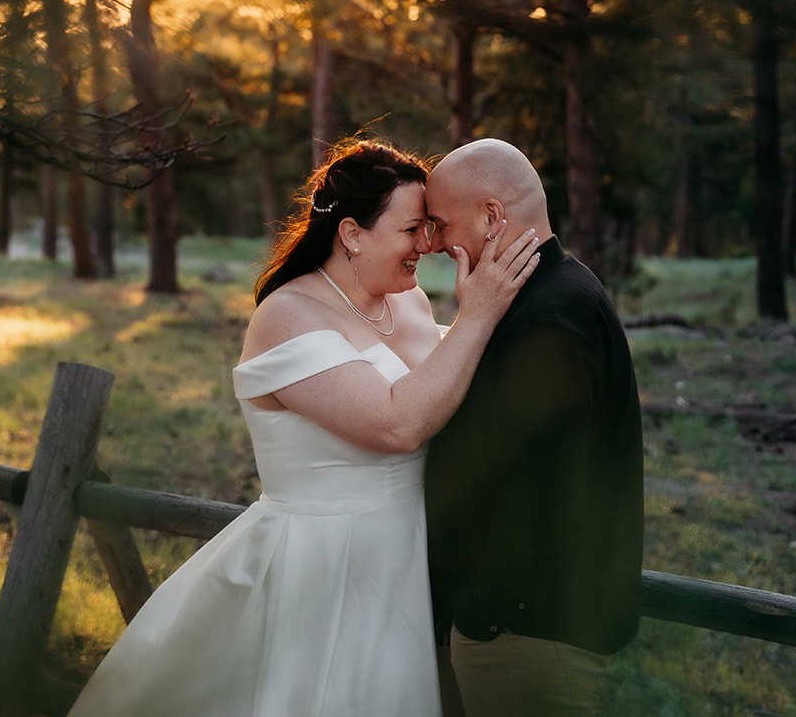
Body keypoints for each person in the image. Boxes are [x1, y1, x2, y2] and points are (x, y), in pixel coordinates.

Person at [66, 138, 542, 717]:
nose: (429, 244)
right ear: (351, 234)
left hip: (416, 556)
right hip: (325, 566)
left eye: (431, 227)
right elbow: (398, 425)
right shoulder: (289, 316)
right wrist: (480, 314)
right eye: (414, 229)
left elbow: (451, 379)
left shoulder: (410, 301)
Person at [423, 138, 643, 717]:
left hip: (524, 631)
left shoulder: (551, 318)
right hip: (525, 624)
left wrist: (488, 614)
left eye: (443, 224)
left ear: (492, 217)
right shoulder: (546, 294)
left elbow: (540, 494)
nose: (437, 242)